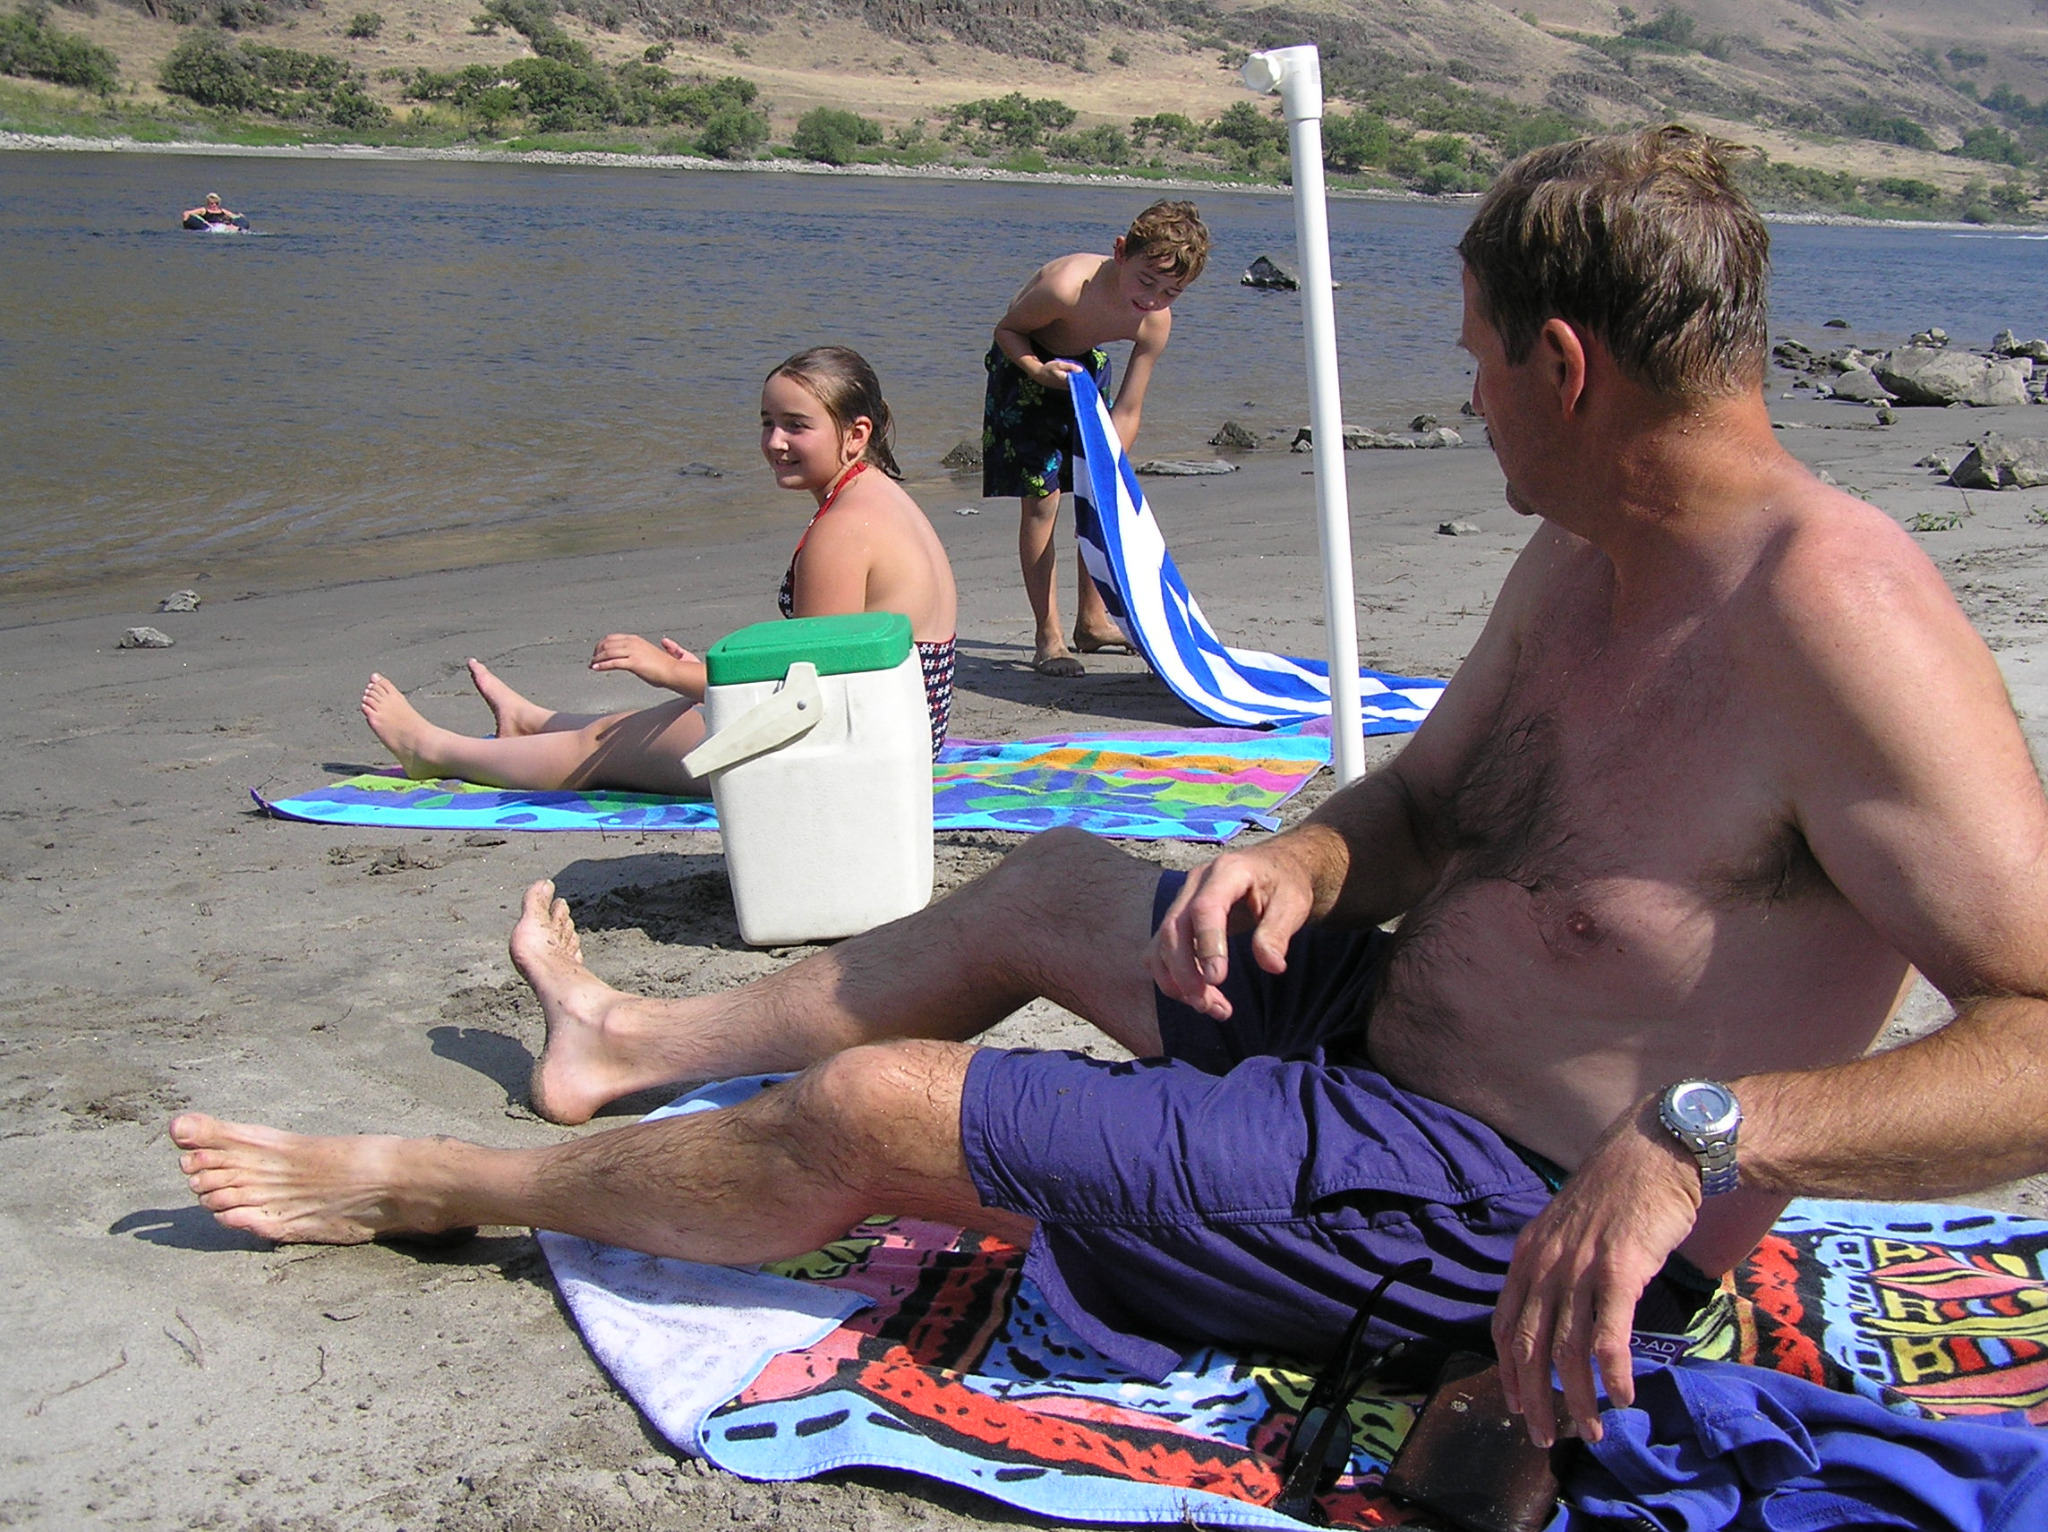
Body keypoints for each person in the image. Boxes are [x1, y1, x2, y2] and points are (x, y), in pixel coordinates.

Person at [172, 128, 2048, 1454]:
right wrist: (1306, 846)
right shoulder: (1583, 545)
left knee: (867, 1108)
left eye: (1475, 361)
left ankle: (447, 1181)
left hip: (1492, 1207)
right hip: (1372, 1041)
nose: (1463, 398)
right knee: (1056, 880)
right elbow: (1425, 802)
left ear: (1565, 365)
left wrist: (1705, 1132)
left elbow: (2038, 1036)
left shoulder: (1839, 627)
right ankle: (625, 1053)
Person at [359, 346, 959, 789]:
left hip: (856, 751)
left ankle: (432, 749)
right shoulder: (879, 498)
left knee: (603, 748)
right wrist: (702, 678)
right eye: (766, 422)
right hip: (901, 730)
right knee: (659, 724)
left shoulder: (842, 531)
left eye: (796, 426)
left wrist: (668, 673)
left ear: (856, 433)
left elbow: (802, 693)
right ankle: (528, 720)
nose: (774, 441)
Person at [983, 199, 1208, 677]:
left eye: (1171, 292)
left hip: (1084, 371)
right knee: (1043, 503)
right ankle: (1049, 637)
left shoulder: (1154, 320)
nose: (1152, 299)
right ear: (1121, 251)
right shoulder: (1066, 288)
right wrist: (1038, 372)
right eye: (1147, 281)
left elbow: (1130, 405)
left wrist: (1107, 468)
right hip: (1025, 369)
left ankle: (1093, 621)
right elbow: (1007, 330)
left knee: (1096, 501)